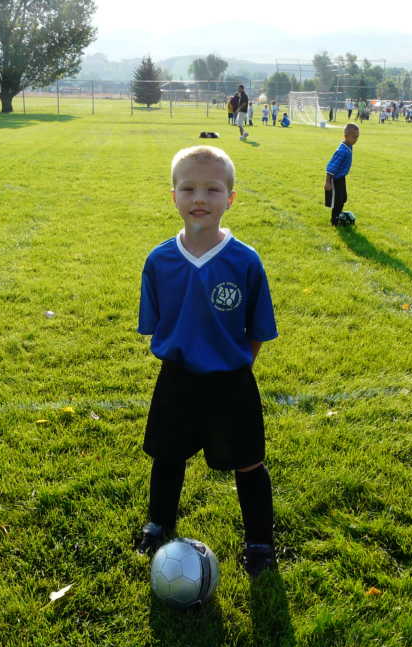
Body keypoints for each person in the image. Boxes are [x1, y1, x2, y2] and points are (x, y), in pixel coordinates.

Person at [136, 145, 279, 577]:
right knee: (167, 455)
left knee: (248, 461)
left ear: (230, 198)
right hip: (177, 379)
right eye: (189, 188)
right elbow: (157, 324)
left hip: (231, 381)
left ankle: (260, 543)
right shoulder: (159, 260)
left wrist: (234, 366)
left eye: (212, 189)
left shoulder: (245, 261)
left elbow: (257, 330)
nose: (200, 198)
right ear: (174, 196)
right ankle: (158, 523)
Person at [324, 123, 359, 225]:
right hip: (335, 179)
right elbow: (331, 166)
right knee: (337, 200)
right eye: (354, 137)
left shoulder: (349, 146)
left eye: (357, 137)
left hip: (341, 177)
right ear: (346, 136)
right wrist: (327, 182)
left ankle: (339, 214)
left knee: (343, 198)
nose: (356, 139)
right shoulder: (342, 150)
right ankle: (335, 220)